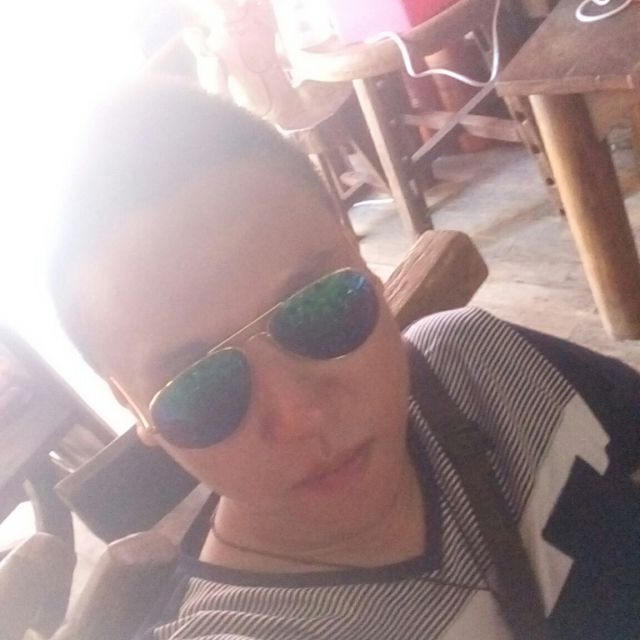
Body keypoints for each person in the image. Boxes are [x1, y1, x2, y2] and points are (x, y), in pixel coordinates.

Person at [49, 78, 640, 640]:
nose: (299, 415)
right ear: (134, 409)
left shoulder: (488, 366)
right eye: (199, 387)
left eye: (319, 305)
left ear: (360, 255)